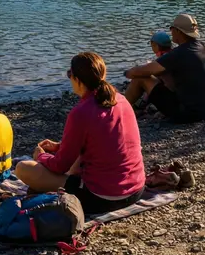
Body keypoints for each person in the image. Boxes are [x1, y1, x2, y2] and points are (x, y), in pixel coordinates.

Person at [15, 52, 145, 214]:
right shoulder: (121, 100)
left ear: (77, 79)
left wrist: (41, 156)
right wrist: (60, 147)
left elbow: (60, 166)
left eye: (70, 74)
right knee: (75, 160)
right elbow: (103, 141)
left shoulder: (81, 112)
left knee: (23, 168)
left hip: (103, 198)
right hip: (136, 190)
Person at [125, 14, 205, 123]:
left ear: (178, 31)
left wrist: (127, 72)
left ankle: (119, 110)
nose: (171, 32)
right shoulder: (200, 46)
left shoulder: (178, 53)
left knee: (140, 78)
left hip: (188, 114)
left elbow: (141, 71)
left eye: (172, 29)